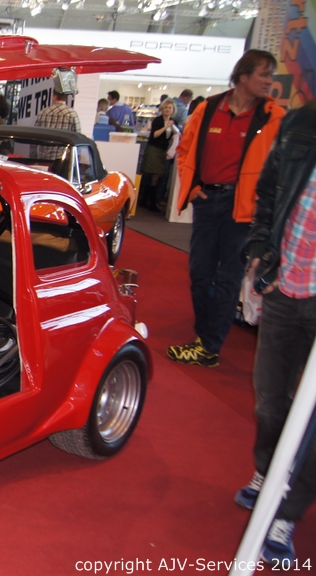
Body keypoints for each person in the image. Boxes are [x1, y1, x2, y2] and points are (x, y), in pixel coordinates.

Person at [235, 97, 316, 564]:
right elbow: (268, 192)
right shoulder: (301, 121)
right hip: (285, 283)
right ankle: (268, 471)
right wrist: (260, 248)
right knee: (269, 398)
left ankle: (287, 511)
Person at [167, 49, 285, 367]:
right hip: (208, 201)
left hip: (244, 208)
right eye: (264, 74)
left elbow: (280, 165)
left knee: (229, 277)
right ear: (243, 76)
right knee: (200, 273)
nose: (269, 81)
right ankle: (206, 336)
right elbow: (184, 149)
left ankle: (209, 344)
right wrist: (192, 187)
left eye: (270, 75)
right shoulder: (208, 109)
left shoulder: (273, 116)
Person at [138, 99, 177, 212]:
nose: (167, 110)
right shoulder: (158, 121)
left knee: (157, 176)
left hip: (162, 151)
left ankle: (148, 200)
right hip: (154, 150)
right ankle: (149, 202)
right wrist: (166, 126)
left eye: (169, 108)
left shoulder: (173, 122)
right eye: (165, 107)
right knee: (152, 175)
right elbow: (155, 135)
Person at [35, 89, 80, 160]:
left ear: (54, 96)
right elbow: (77, 139)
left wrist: (33, 157)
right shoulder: (72, 114)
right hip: (63, 160)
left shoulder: (43, 113)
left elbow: (35, 137)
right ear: (66, 97)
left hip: (44, 159)